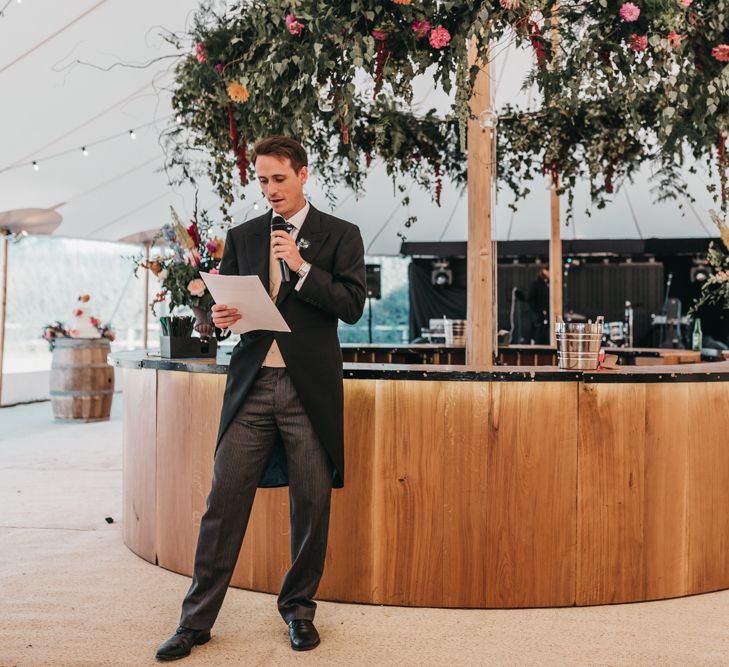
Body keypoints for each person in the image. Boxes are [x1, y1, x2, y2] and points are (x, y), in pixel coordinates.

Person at [155, 136, 366, 661]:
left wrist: (301, 266)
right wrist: (221, 318)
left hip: (309, 390)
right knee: (222, 503)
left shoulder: (341, 235)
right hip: (251, 386)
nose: (270, 189)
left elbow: (352, 307)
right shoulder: (243, 235)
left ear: (303, 174)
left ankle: (298, 610)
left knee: (312, 504)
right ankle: (195, 622)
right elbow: (230, 311)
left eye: (279, 179)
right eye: (263, 180)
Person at [526, 267, 550, 344]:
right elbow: (530, 299)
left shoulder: (548, 284)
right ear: (544, 271)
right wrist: (540, 311)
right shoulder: (536, 284)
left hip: (546, 317)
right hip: (538, 317)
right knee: (539, 337)